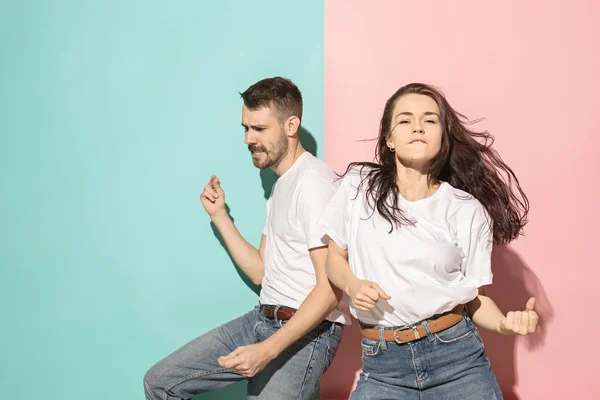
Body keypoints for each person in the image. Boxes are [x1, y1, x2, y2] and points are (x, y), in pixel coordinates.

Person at [320, 83, 538, 399]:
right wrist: (353, 286)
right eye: (405, 120)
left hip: (458, 362)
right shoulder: (358, 187)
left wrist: (506, 324)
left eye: (430, 120)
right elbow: (333, 259)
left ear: (442, 138)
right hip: (383, 370)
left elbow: (476, 299)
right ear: (389, 138)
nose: (418, 127)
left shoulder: (466, 209)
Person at [144, 77, 349, 400]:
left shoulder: (314, 185)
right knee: (160, 382)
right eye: (245, 128)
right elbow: (260, 272)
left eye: (259, 129)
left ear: (291, 125)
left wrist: (266, 351)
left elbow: (330, 289)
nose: (248, 139)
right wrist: (220, 216)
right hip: (261, 318)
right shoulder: (281, 185)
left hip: (305, 334)